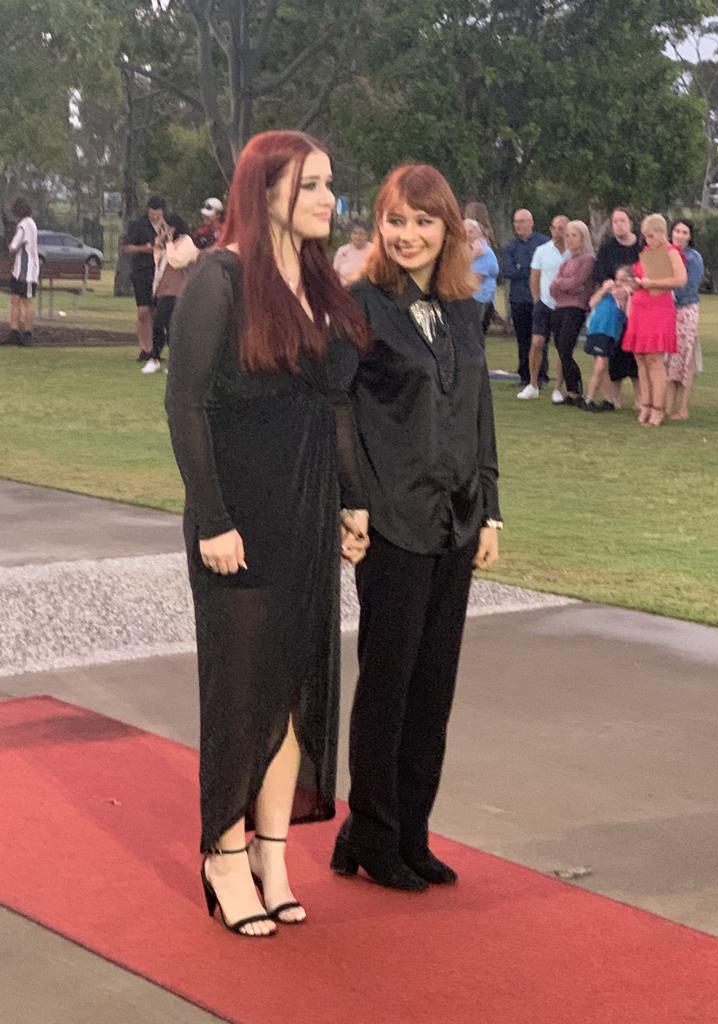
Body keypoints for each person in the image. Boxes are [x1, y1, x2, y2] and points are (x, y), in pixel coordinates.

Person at [165, 130, 370, 936]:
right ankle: (221, 852)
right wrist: (212, 518)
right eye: (312, 185)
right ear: (267, 191)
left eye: (330, 184)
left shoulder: (320, 284)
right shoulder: (220, 279)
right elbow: (185, 407)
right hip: (239, 521)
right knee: (240, 696)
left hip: (309, 513)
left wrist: (352, 502)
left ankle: (271, 854)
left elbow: (337, 405)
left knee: (292, 695)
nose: (329, 199)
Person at [331, 163, 502, 891]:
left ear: (448, 231)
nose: (407, 235)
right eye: (396, 220)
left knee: (435, 685)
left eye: (423, 222)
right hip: (393, 519)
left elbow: (476, 411)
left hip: (456, 517)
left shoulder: (467, 309)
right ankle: (372, 835)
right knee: (389, 682)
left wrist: (490, 505)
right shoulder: (359, 305)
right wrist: (352, 499)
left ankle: (412, 830)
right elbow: (336, 405)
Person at [622, 214, 687, 427]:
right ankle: (646, 404)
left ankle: (658, 408)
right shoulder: (647, 253)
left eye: (651, 236)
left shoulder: (671, 252)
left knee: (654, 359)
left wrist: (651, 282)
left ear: (661, 232)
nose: (647, 240)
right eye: (645, 236)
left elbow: (680, 279)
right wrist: (635, 283)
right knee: (640, 357)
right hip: (640, 307)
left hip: (659, 308)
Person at [593, 208, 642, 409]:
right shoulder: (607, 248)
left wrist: (630, 288)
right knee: (615, 351)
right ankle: (613, 398)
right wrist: (613, 288)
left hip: (637, 305)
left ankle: (641, 399)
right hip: (613, 305)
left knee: (636, 353)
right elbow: (600, 273)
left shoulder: (641, 246)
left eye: (622, 220)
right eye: (615, 221)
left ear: (630, 222)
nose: (618, 225)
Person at [141, 213, 199, 374]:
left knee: (172, 327)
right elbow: (159, 263)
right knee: (160, 324)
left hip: (179, 291)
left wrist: (168, 243)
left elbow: (177, 261)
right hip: (164, 290)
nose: (164, 230)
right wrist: (159, 246)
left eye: (167, 227)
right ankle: (155, 359)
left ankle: (175, 362)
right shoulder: (169, 243)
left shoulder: (186, 242)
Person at [521, 214, 569, 401]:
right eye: (555, 227)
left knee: (562, 347)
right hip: (544, 303)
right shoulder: (542, 250)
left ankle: (558, 388)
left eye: (562, 228)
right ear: (551, 229)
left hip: (565, 306)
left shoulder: (573, 252)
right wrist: (536, 299)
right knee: (537, 343)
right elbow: (535, 276)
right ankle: (533, 384)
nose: (558, 231)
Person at [549, 220, 595, 404]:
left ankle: (575, 388)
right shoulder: (567, 260)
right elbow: (553, 287)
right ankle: (571, 390)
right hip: (559, 306)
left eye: (574, 235)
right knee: (560, 348)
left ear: (583, 237)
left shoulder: (588, 259)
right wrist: (564, 285)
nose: (569, 239)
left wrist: (564, 285)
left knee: (566, 347)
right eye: (567, 235)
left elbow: (578, 282)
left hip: (575, 307)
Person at [501, 209, 548, 387]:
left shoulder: (542, 243)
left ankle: (541, 375)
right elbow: (507, 271)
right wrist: (528, 270)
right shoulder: (510, 247)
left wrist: (523, 268)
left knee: (539, 339)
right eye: (516, 222)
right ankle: (525, 376)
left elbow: (544, 269)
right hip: (518, 299)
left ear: (531, 222)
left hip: (539, 299)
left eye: (522, 221)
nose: (518, 225)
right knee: (522, 339)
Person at [666, 218, 705, 420]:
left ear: (690, 236)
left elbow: (689, 286)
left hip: (685, 309)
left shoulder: (693, 258)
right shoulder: (666, 254)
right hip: (665, 311)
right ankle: (667, 405)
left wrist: (666, 290)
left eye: (684, 232)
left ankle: (682, 408)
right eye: (676, 231)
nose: (679, 235)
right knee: (668, 360)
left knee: (684, 358)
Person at [582, 266, 635, 411]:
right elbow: (592, 303)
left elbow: (630, 316)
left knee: (603, 367)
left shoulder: (626, 300)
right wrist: (604, 289)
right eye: (617, 279)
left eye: (623, 280)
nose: (618, 283)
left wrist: (629, 295)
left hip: (611, 335)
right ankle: (590, 398)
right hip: (597, 332)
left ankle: (607, 400)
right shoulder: (607, 295)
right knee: (600, 366)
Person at [123, 196, 167, 363]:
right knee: (143, 312)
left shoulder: (167, 226)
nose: (155, 217)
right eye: (152, 214)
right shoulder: (138, 225)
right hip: (142, 271)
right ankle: (145, 348)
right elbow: (128, 247)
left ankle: (155, 349)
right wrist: (145, 248)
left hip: (161, 273)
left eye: (158, 214)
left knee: (157, 312)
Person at [5, 197, 39, 347]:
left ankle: (26, 333)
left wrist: (8, 244)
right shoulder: (32, 223)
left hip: (27, 271)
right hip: (20, 270)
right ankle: (15, 332)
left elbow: (13, 246)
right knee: (15, 300)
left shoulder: (23, 225)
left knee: (25, 301)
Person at [464, 217, 499, 334]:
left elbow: (474, 281)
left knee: (474, 337)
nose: (467, 235)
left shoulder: (485, 252)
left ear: (479, 233)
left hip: (479, 301)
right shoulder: (467, 251)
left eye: (471, 231)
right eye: (464, 231)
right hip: (467, 301)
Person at [332, 219, 373, 287]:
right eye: (355, 233)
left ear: (367, 235)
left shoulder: (374, 251)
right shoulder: (342, 251)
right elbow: (335, 274)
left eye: (361, 234)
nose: (358, 237)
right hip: (344, 290)